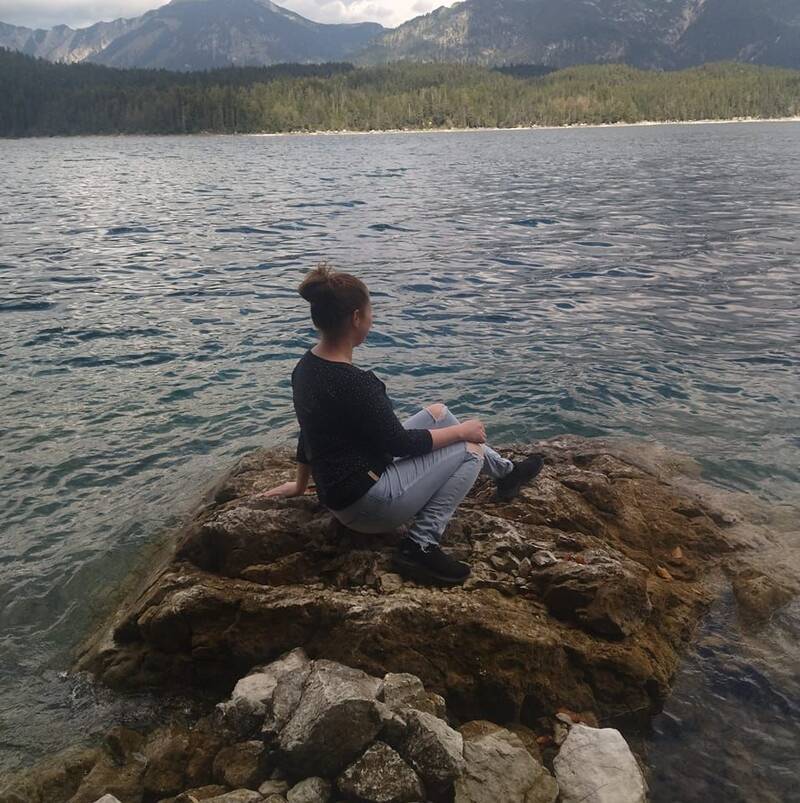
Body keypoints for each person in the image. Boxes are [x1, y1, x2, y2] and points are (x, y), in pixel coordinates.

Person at [262, 264, 544, 585]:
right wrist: (462, 432)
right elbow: (400, 444)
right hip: (367, 505)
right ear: (356, 318)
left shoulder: (306, 367)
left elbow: (309, 430)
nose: (372, 319)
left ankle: (507, 473)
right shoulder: (357, 384)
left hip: (343, 491)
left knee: (438, 413)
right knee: (470, 450)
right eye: (370, 311)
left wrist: (300, 485)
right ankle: (420, 545)